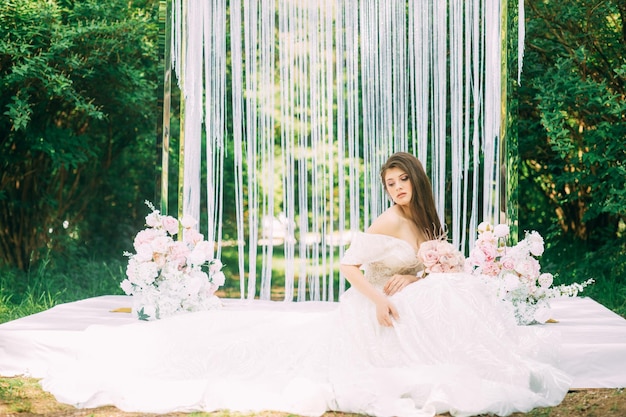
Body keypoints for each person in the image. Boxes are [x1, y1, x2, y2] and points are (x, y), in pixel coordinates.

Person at [39, 152, 572, 417]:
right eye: (389, 184)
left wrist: (424, 271)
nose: (397, 190)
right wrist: (384, 297)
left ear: (417, 180)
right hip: (369, 305)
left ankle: (473, 354)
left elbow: (423, 267)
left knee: (453, 291)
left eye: (402, 180)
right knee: (278, 354)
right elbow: (348, 268)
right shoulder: (386, 222)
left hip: (407, 299)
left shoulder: (427, 224)